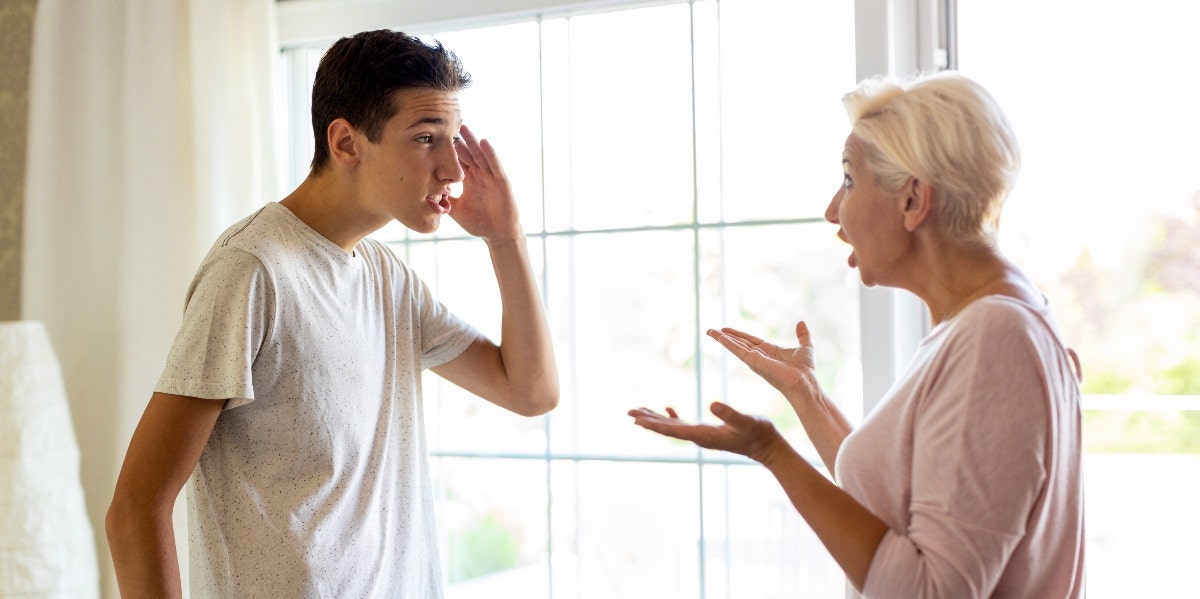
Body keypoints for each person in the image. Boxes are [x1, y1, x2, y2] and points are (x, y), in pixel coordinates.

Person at [106, 30, 559, 598]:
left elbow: (531, 392)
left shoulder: (388, 279)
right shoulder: (251, 271)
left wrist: (505, 237)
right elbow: (135, 510)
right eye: (425, 138)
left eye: (452, 141)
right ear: (346, 141)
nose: (452, 170)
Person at [629, 71, 1084, 598]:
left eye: (848, 180)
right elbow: (899, 513)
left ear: (913, 200)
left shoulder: (992, 336)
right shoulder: (986, 324)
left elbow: (929, 591)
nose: (832, 211)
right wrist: (808, 397)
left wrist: (772, 452)